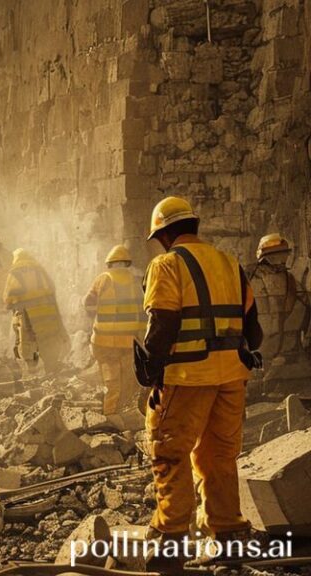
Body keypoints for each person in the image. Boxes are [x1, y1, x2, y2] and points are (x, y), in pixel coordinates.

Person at [139, 196, 262, 572]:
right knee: (219, 457)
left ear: (163, 234)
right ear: (193, 225)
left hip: (188, 377)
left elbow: (162, 324)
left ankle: (170, 542)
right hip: (231, 379)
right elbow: (254, 334)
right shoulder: (230, 264)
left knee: (169, 451)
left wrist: (151, 373)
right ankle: (229, 535)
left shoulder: (167, 264)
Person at [83, 245, 146, 425]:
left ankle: (110, 414)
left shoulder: (102, 279)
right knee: (128, 378)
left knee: (111, 378)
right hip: (129, 341)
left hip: (104, 341)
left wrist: (97, 316)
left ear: (110, 263)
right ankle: (124, 413)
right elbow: (144, 312)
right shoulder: (137, 281)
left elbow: (87, 305)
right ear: (127, 263)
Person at [245, 233, 310, 397]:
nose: (281, 259)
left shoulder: (290, 279)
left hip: (282, 351)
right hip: (264, 349)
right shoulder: (250, 277)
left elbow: (305, 304)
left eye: (283, 254)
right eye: (278, 254)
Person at [2, 248, 69, 375]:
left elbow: (8, 297)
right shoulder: (40, 269)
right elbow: (52, 288)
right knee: (47, 340)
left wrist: (8, 306)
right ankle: (52, 371)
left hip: (27, 315)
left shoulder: (15, 271)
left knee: (27, 343)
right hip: (46, 313)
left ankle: (31, 374)